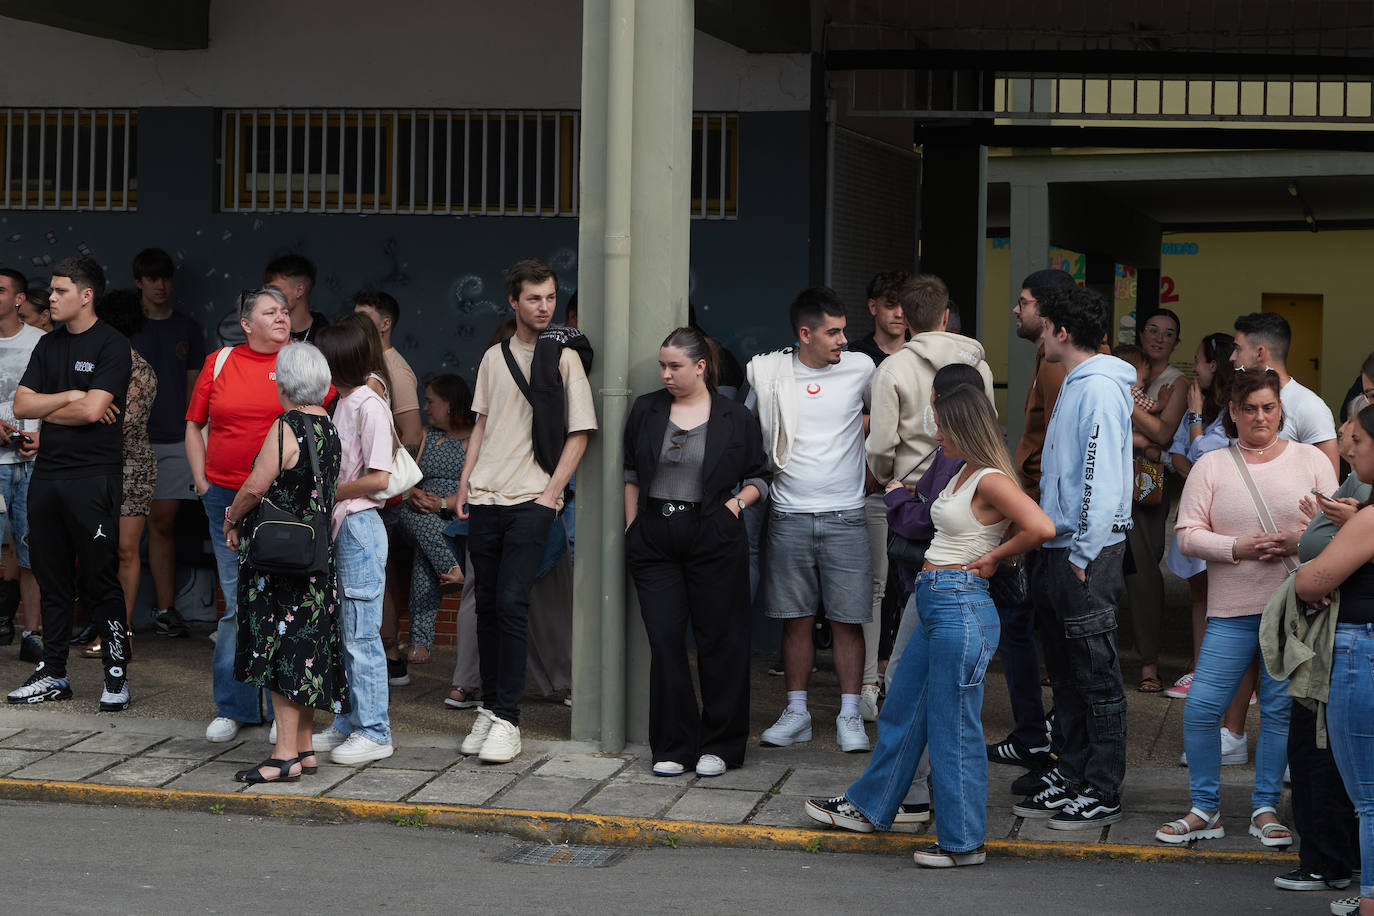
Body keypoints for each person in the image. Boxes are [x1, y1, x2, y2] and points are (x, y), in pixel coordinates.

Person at [805, 383, 1055, 869]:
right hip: (938, 601)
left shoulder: (989, 478)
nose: (935, 434)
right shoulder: (963, 472)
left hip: (960, 603)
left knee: (952, 727)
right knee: (902, 708)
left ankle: (963, 843)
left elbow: (1041, 527)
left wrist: (992, 559)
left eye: (941, 425)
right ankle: (871, 805)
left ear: (963, 426)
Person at [1158, 368, 1336, 845]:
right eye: (1250, 408)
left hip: (1292, 612)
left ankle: (1265, 808)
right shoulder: (1211, 465)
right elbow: (1187, 535)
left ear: (1281, 410)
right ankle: (1205, 808)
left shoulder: (1312, 462)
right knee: (1200, 708)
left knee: (1279, 712)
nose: (1261, 416)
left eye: (1269, 407)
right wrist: (1239, 547)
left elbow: (1340, 534)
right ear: (1232, 413)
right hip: (1231, 612)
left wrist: (1299, 539)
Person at [453, 258, 596, 764]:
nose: (545, 306)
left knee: (513, 606)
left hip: (532, 498)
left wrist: (551, 494)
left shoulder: (564, 358)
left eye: (551, 297)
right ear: (513, 301)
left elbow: (581, 431)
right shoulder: (494, 357)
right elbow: (482, 426)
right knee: (488, 609)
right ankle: (490, 711)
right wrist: (465, 484)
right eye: (534, 298)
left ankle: (509, 720)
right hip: (487, 496)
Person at [1012, 283, 1133, 830]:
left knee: (1097, 677)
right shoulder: (1080, 383)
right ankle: (1077, 773)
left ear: (1062, 331)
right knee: (1067, 677)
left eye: (1044, 325)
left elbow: (1100, 478)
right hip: (1063, 548)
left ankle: (1103, 788)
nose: (1037, 331)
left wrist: (1082, 553)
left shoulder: (1099, 388)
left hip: (1087, 553)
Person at [623, 327, 768, 777]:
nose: (666, 374)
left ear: (700, 366)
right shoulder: (646, 408)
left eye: (675, 366)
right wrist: (632, 526)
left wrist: (734, 506)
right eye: (662, 366)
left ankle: (721, 745)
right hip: (654, 535)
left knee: (720, 641)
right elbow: (630, 471)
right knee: (665, 641)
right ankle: (673, 745)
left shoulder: (734, 416)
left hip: (713, 534)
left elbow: (760, 477)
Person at [747, 286, 874, 753]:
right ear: (805, 334)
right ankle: (797, 713)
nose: (844, 340)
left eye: (844, 330)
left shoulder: (862, 368)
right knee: (795, 620)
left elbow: (890, 417)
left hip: (847, 515)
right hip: (788, 513)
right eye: (833, 332)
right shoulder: (768, 373)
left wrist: (878, 471)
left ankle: (848, 715)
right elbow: (745, 435)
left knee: (848, 620)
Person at [865, 275, 995, 723]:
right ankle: (942, 700)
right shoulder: (978, 366)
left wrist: (891, 483)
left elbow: (880, 445)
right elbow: (986, 434)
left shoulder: (893, 368)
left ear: (906, 317)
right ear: (945, 315)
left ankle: (902, 698)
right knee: (955, 606)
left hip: (908, 499)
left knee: (906, 600)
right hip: (968, 495)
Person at [8, 257, 132, 711]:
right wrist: (72, 396)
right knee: (52, 578)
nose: (51, 298)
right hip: (49, 475)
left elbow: (92, 412)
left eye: (60, 291)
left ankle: (116, 673)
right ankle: (53, 673)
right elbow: (22, 404)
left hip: (92, 477)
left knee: (100, 578)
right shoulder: (47, 346)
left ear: (86, 295)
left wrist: (57, 405)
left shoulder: (112, 345)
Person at [223, 342, 346, 782]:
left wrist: (232, 516)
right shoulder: (327, 426)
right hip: (316, 559)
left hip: (280, 566)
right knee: (308, 649)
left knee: (281, 652)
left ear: (284, 381)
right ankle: (305, 748)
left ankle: (282, 757)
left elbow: (257, 487)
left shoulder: (286, 426)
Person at [186, 288, 296, 742]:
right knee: (235, 604)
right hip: (225, 496)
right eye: (270, 312)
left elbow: (334, 407)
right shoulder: (220, 362)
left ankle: (282, 712)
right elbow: (194, 425)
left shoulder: (302, 361)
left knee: (282, 601)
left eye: (285, 311)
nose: (281, 318)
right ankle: (234, 706)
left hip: (283, 500)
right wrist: (201, 480)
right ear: (246, 324)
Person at [1273, 394, 1366, 893]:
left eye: (1358, 424)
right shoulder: (1357, 483)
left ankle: (1331, 864)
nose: (1348, 430)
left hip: (1345, 641)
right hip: (1335, 636)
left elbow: (1311, 582)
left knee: (1326, 754)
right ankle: (1338, 859)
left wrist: (1345, 526)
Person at [992, 268, 1080, 777]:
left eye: (1023, 303)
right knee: (1024, 626)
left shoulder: (1056, 366)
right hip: (1035, 509)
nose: (1016, 310)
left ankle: (1041, 739)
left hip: (1041, 516)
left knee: (1033, 629)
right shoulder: (1043, 359)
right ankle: (1034, 734)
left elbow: (1055, 447)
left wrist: (1028, 508)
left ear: (1047, 313)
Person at [1295, 402, 1374, 916]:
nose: (1352, 449)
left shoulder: (1368, 519)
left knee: (1368, 798)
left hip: (1360, 652)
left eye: (1360, 442)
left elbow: (1309, 581)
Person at [310, 322, 397, 765]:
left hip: (360, 526)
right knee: (345, 632)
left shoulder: (368, 405)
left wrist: (329, 492)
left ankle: (375, 731)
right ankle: (348, 722)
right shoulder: (344, 401)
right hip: (346, 526)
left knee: (361, 634)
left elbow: (380, 479)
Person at [129, 247, 206, 639]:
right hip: (131, 440)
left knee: (162, 524)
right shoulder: (126, 326)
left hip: (175, 438)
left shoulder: (188, 329)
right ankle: (113, 620)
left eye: (165, 278)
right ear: (139, 281)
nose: (160, 285)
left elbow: (195, 387)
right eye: (152, 278)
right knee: (125, 531)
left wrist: (191, 428)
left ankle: (165, 609)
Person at [846, 269, 909, 721]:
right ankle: (869, 679)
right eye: (890, 304)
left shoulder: (922, 355)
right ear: (873, 307)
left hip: (917, 489)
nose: (899, 313)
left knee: (910, 586)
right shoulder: (852, 358)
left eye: (905, 304)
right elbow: (842, 419)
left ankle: (895, 674)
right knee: (874, 586)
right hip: (868, 486)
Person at [1163, 332, 1235, 702]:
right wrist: (1199, 482)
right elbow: (1177, 453)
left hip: (1223, 516)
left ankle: (1224, 677)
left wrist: (1193, 414)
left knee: (1223, 596)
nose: (1193, 368)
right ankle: (1199, 668)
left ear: (1214, 365)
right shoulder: (1203, 403)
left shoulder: (1234, 407)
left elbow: (1203, 451)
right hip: (1197, 509)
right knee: (1199, 594)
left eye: (1198, 360)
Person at [1121, 308, 1188, 694]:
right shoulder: (1121, 365)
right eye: (1153, 329)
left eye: (1168, 333)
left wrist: (1129, 407)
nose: (1159, 337)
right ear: (1141, 333)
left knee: (1144, 566)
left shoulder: (1175, 382)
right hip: (1110, 471)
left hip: (1148, 476)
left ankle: (1149, 662)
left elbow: (1163, 436)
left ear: (1175, 342)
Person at [88, 289, 157, 659]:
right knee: (98, 550)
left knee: (126, 550)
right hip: (91, 467)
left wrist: (80, 410)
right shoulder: (94, 363)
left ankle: (121, 632)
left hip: (130, 468)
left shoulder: (139, 369)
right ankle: (103, 624)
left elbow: (120, 425)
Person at [398, 373, 474, 662]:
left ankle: (420, 643)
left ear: (450, 404)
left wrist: (442, 503)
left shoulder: (474, 440)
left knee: (423, 553)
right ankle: (452, 566)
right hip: (417, 512)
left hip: (454, 515)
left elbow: (475, 489)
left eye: (431, 401)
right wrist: (414, 492)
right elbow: (401, 475)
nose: (425, 408)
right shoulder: (426, 437)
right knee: (412, 515)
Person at [1231, 311, 1339, 474]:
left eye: (1238, 349)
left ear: (1260, 353)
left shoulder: (1309, 406)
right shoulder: (1237, 400)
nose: (1232, 357)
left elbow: (1328, 487)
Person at [0, 268, 43, 660]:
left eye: (0, 290)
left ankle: (34, 634)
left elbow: (65, 397)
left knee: (34, 551)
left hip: (34, 461)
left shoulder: (42, 343)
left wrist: (45, 437)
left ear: (18, 299)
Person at [264, 254, 329, 343]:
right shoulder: (265, 333)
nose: (268, 296)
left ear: (299, 290)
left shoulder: (327, 339)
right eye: (267, 290)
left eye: (275, 290)